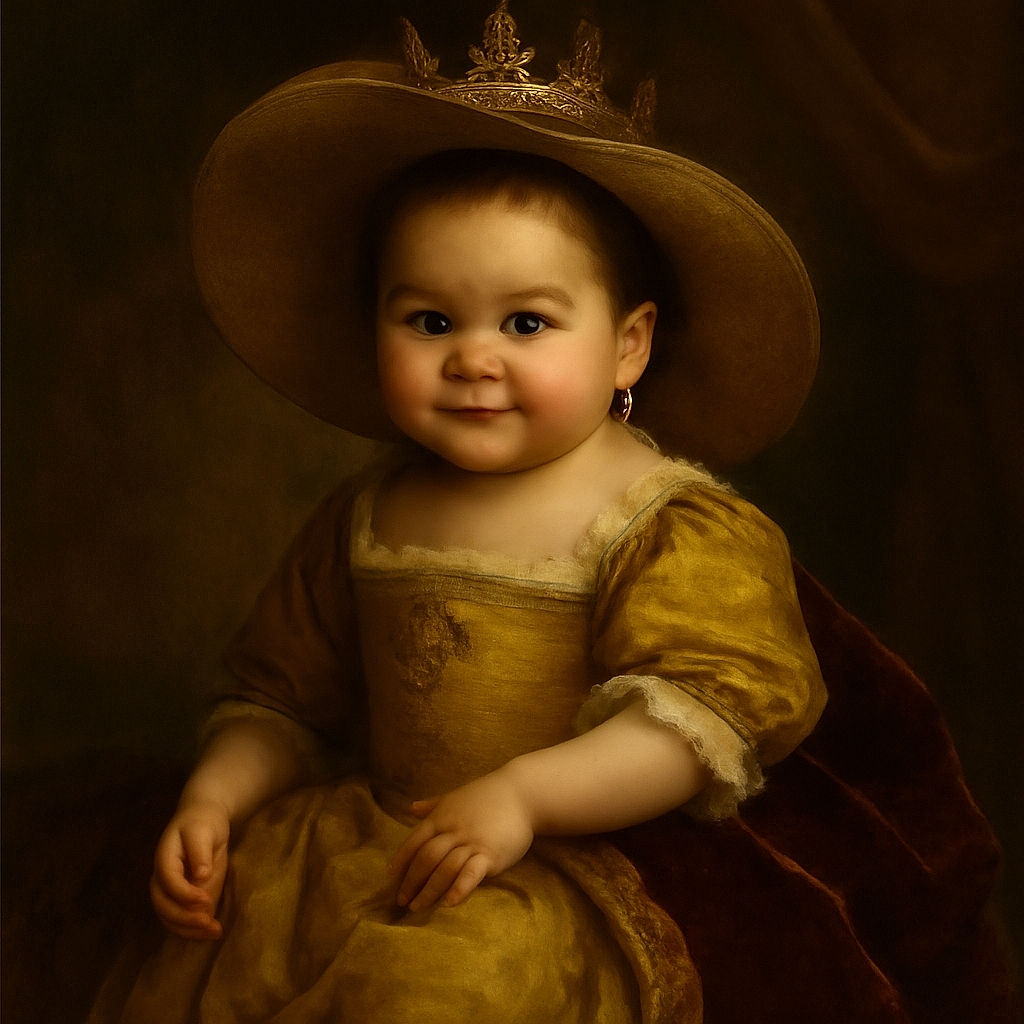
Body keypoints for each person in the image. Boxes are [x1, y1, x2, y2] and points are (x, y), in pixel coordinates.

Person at [89, 6, 1010, 1023]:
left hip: (563, 859)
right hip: (369, 841)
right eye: (429, 319)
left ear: (628, 345)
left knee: (452, 986)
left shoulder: (660, 520)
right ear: (376, 327)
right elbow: (284, 700)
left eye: (525, 322)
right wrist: (215, 796)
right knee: (226, 958)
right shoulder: (369, 513)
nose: (473, 357)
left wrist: (525, 797)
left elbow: (700, 719)